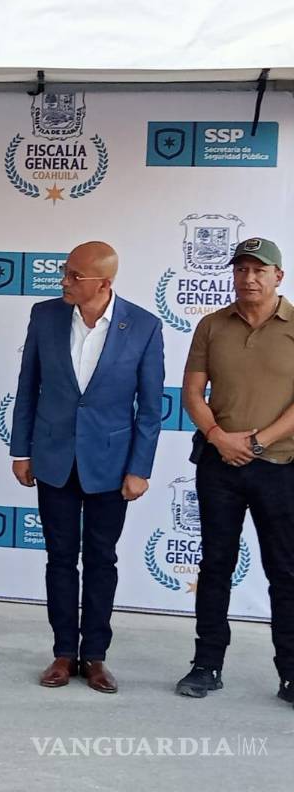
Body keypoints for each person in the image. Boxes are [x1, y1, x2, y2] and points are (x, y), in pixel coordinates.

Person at [9, 241, 164, 693]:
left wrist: (139, 468)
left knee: (101, 559)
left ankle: (95, 656)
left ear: (104, 283)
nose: (65, 281)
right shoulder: (45, 316)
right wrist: (21, 451)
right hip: (53, 458)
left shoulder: (144, 326)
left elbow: (150, 408)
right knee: (59, 558)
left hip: (111, 465)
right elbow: (28, 386)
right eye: (65, 272)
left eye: (75, 276)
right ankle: (63, 652)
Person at [176, 237, 294, 707]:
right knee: (215, 565)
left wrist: (259, 442)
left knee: (285, 571)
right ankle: (206, 665)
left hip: (280, 466)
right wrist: (218, 437)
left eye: (259, 270)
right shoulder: (211, 325)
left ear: (278, 276)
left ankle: (291, 673)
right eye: (242, 269)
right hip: (219, 465)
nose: (249, 278)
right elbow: (192, 392)